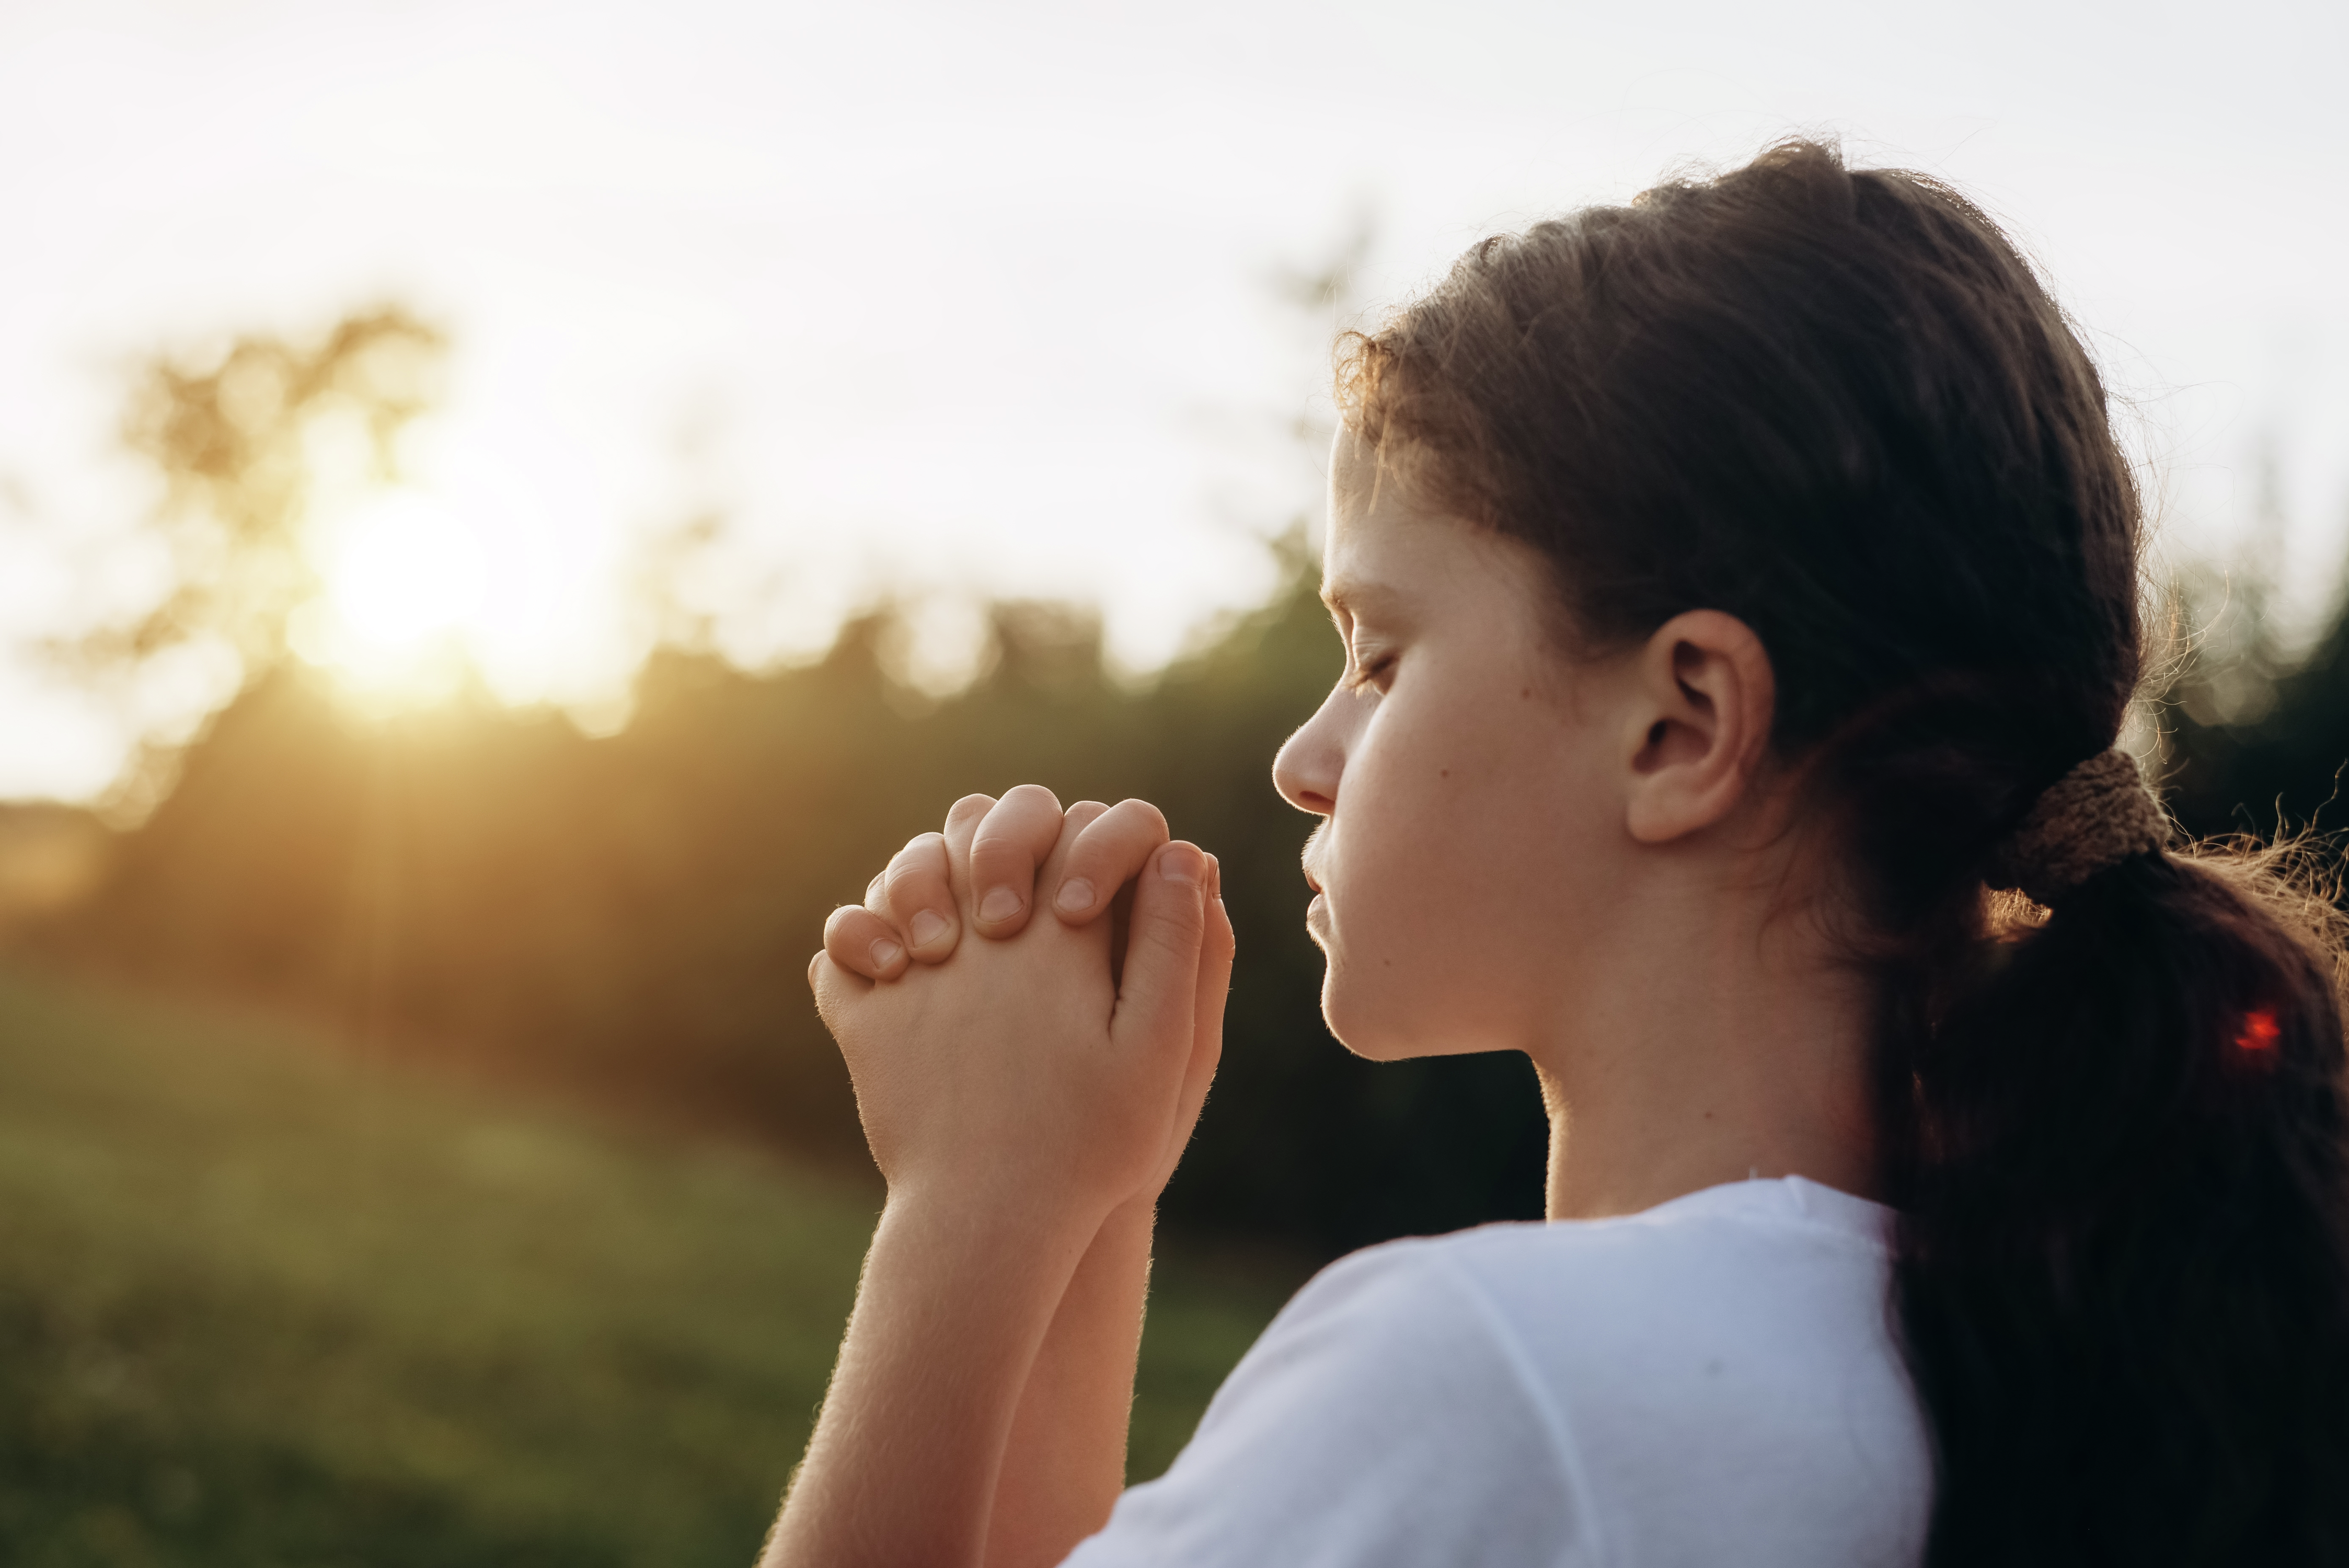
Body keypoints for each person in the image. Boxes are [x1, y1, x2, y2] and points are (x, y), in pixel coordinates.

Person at [761, 140, 2349, 1567]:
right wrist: (1082, 1207)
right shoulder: (2009, 1354)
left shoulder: (1505, 1385)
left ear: (1681, 723)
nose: (1303, 763)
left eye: (1381, 653)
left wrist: (966, 1211)